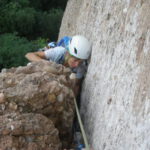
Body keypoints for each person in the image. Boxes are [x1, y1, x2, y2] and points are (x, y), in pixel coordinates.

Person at [25, 35, 92, 96]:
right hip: (47, 66)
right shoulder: (59, 52)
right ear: (69, 53)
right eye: (75, 60)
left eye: (80, 62)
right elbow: (29, 55)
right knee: (30, 65)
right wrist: (46, 64)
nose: (77, 64)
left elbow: (76, 85)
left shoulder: (81, 68)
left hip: (56, 79)